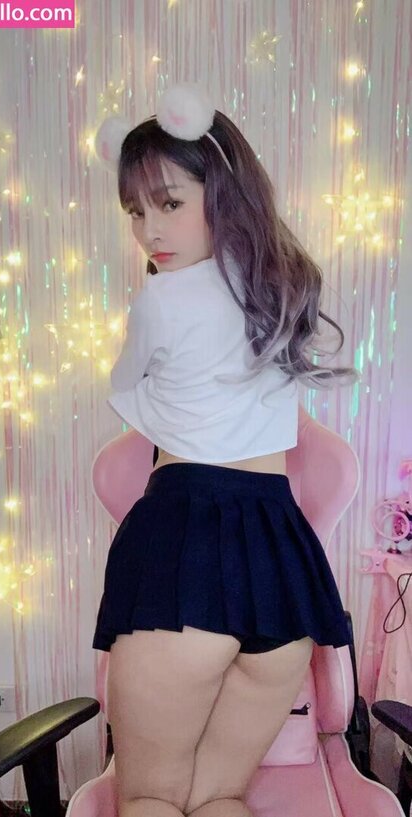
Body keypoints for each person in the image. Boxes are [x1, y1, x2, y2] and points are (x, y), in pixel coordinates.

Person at [92, 83, 360, 817]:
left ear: (222, 193)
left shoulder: (160, 299)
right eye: (135, 211)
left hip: (188, 545)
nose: (149, 229)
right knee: (219, 799)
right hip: (282, 564)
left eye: (168, 202)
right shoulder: (285, 288)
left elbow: (125, 387)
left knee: (150, 797)